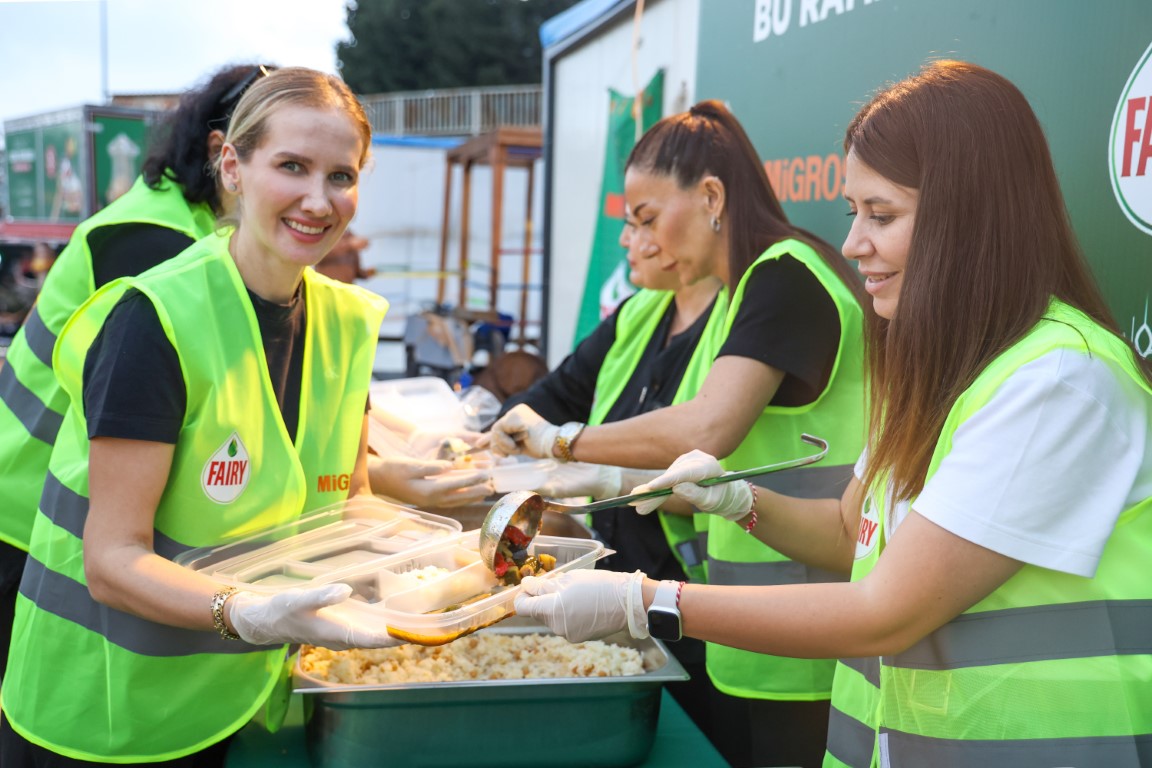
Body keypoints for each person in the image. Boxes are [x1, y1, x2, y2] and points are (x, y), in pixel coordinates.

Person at [512, 60, 1152, 768]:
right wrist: (741, 501)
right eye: (855, 214)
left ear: (969, 216)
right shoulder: (939, 367)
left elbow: (887, 608)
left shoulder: (1058, 380)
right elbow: (854, 532)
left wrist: (646, 601)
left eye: (881, 216)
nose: (853, 244)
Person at [0, 66, 406, 766]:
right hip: (105, 716)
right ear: (232, 167)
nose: (319, 199)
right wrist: (242, 611)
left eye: (342, 176)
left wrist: (458, 569)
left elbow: (351, 503)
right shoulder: (154, 318)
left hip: (232, 700)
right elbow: (112, 560)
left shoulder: (346, 323)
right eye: (292, 167)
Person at [485, 100, 871, 768]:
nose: (637, 240)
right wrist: (607, 482)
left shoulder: (788, 276)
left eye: (646, 217)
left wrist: (563, 443)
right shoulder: (748, 286)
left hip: (813, 632)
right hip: (750, 627)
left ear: (712, 197)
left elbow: (709, 426)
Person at [0, 62, 274, 680]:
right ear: (222, 155)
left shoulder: (190, 220)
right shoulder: (153, 240)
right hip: (27, 505)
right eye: (278, 159)